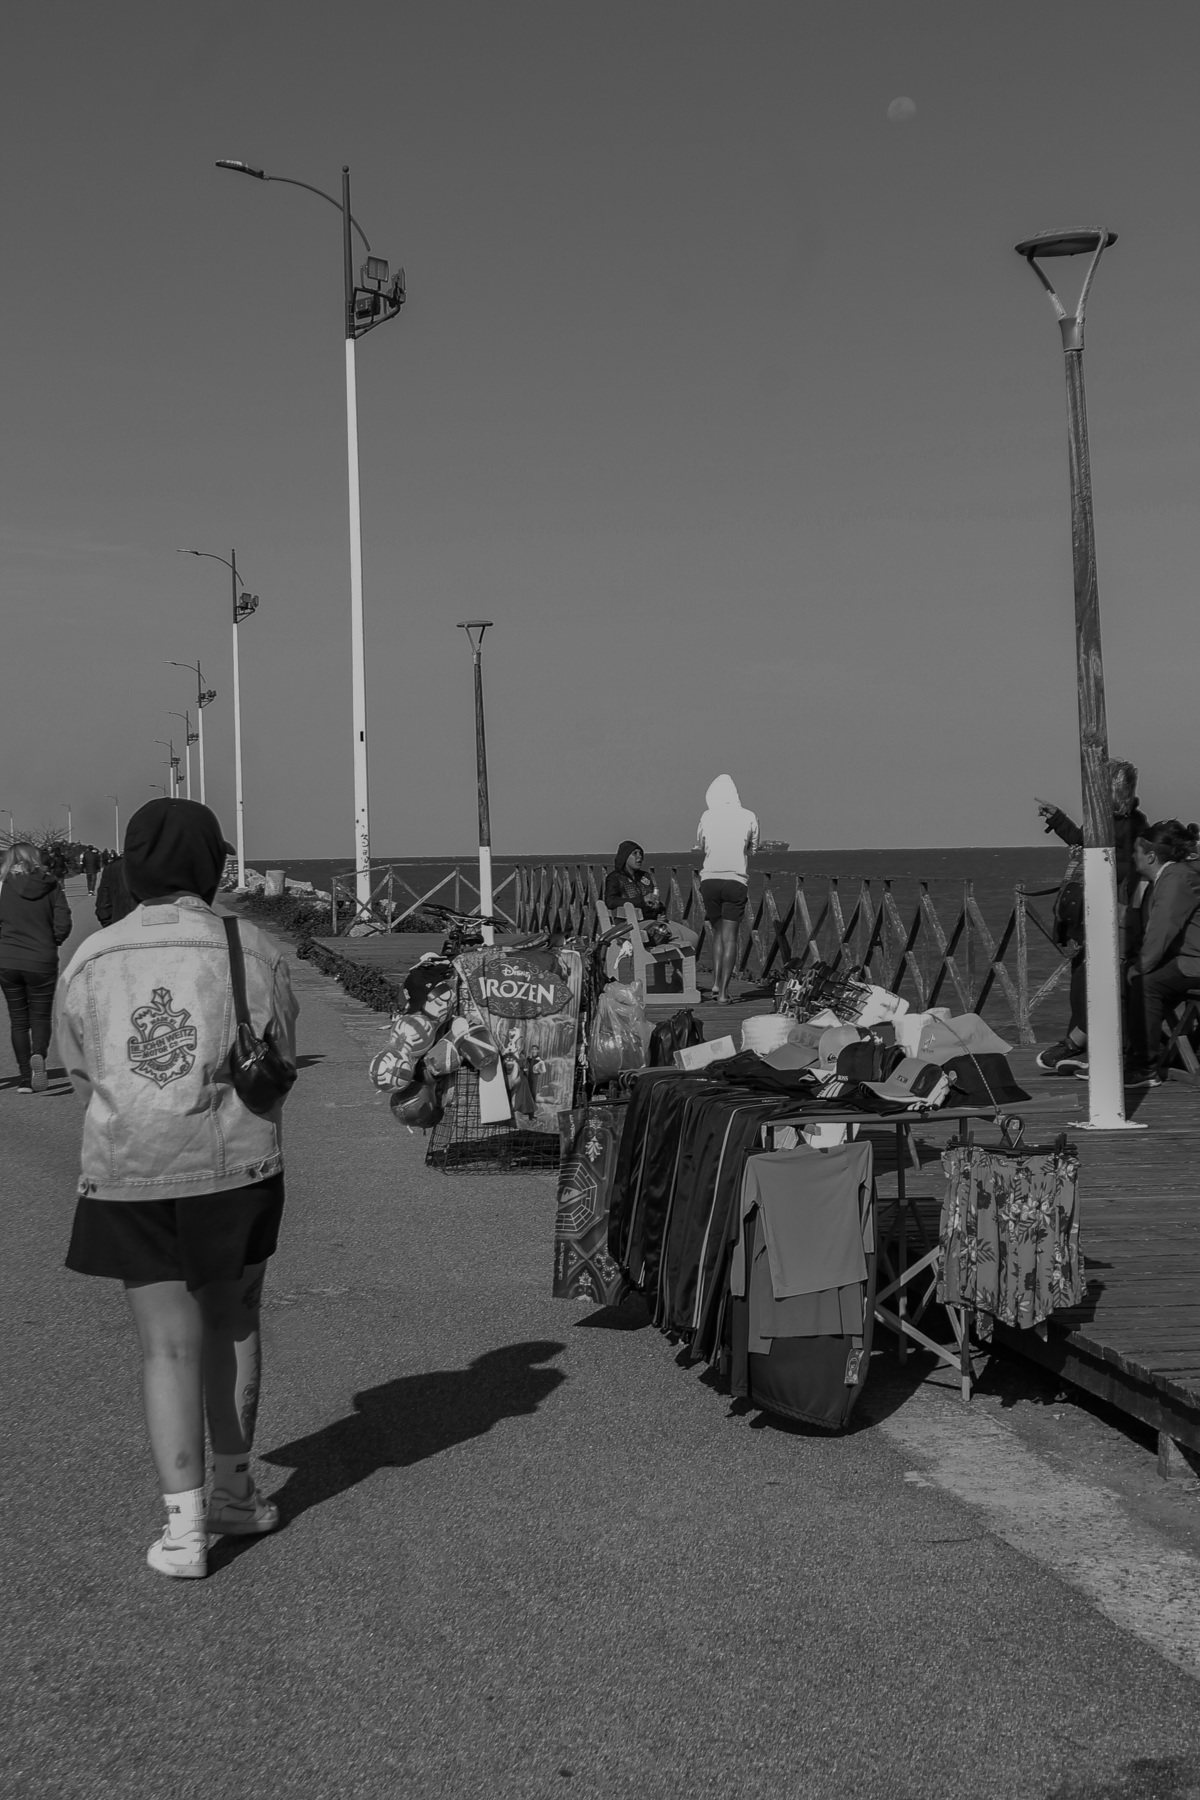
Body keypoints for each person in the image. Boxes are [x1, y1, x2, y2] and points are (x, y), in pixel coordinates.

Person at [57, 798, 299, 1581]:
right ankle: (234, 1492)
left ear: (132, 868)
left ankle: (184, 1530)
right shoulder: (251, 947)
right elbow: (279, 1055)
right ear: (212, 866)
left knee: (165, 1345)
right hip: (236, 1168)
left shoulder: (93, 956)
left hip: (132, 1168)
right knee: (233, 1322)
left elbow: (81, 1070)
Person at [1034, 759, 1148, 1074]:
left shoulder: (1135, 825)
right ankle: (1082, 1044)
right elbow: (1083, 840)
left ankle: (1087, 1045)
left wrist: (1098, 861)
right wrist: (1058, 818)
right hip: (1090, 911)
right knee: (1080, 979)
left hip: (1113, 911)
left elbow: (1134, 868)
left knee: (1091, 979)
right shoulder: (1102, 820)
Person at [1122, 820, 1200, 1088]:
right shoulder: (1176, 875)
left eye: (1137, 851)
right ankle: (1141, 1051)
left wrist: (1140, 966)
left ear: (1151, 856)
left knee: (1146, 984)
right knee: (1128, 976)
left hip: (1194, 962)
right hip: (1188, 957)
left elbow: (1162, 929)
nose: (1133, 857)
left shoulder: (1175, 879)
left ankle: (1144, 1066)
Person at [0, 842, 72, 1093]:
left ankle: (24, 1078)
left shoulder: (3, 885)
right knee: (40, 1016)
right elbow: (63, 922)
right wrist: (53, 941)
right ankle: (38, 1054)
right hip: (42, 959)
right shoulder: (52, 884)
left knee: (18, 1020)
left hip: (8, 959)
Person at [695, 775, 759, 1004]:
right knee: (731, 937)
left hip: (710, 880)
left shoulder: (707, 816)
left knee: (718, 932)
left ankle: (714, 982)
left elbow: (701, 844)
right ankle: (723, 993)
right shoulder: (749, 815)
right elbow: (753, 848)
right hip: (735, 880)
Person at [603, 841, 699, 950]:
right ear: (624, 857)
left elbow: (655, 900)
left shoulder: (645, 876)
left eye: (640, 853)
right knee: (674, 933)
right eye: (634, 853)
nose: (639, 857)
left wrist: (661, 913)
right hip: (630, 924)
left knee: (692, 937)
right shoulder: (615, 877)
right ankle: (672, 961)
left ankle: (680, 960)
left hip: (653, 920)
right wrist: (641, 900)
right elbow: (610, 901)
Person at [95, 851, 137, 927]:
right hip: (156, 929)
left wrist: (111, 927)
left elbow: (103, 905)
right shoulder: (159, 866)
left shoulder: (112, 868)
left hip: (122, 926)